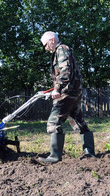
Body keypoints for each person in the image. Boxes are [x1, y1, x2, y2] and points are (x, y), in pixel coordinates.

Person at [39, 31, 95, 163]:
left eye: (45, 45)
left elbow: (65, 71)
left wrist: (57, 89)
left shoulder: (61, 50)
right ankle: (89, 152)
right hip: (74, 92)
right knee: (79, 122)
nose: (46, 48)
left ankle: (54, 156)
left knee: (53, 123)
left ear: (52, 40)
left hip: (67, 94)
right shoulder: (64, 50)